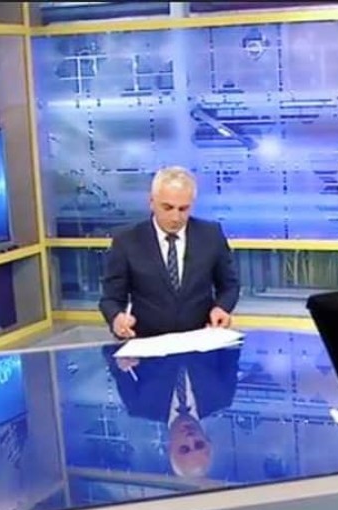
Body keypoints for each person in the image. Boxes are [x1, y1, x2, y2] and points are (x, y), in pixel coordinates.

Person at [98, 166, 240, 339]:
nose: (175, 217)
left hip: (200, 340)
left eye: (183, 209)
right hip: (147, 343)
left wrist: (222, 308)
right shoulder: (127, 240)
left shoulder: (211, 235)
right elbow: (111, 299)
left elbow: (229, 286)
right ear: (151, 202)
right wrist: (117, 318)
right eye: (167, 207)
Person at [106, 347, 242, 478]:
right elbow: (232, 347)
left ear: (169, 447)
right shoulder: (222, 397)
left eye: (184, 448)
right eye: (199, 444)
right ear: (207, 440)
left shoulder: (138, 405)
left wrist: (120, 359)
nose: (190, 438)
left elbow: (110, 352)